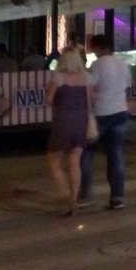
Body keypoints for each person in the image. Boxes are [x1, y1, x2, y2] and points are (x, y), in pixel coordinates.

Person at [80, 34, 130, 210]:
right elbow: (127, 86)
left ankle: (85, 194)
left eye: (93, 48)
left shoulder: (97, 65)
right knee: (116, 155)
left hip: (100, 113)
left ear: (99, 48)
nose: (93, 51)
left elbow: (90, 88)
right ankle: (117, 196)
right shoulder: (123, 64)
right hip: (120, 112)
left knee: (87, 152)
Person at [44, 40, 91, 216]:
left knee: (53, 160)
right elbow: (91, 101)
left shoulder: (59, 77)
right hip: (81, 121)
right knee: (74, 159)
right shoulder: (85, 77)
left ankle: (64, 194)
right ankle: (74, 197)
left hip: (63, 120)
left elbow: (49, 99)